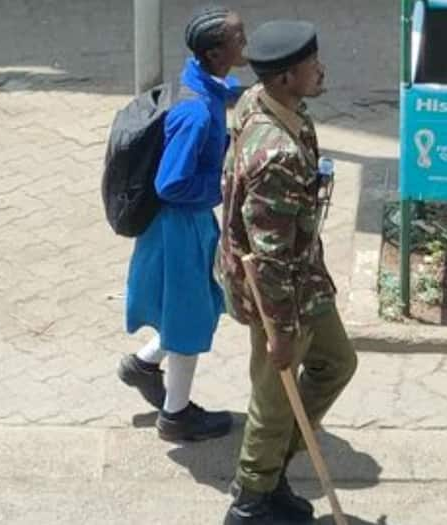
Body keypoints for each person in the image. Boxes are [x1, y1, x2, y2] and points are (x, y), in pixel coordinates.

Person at [216, 20, 358, 524]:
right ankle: (252, 500)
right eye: (309, 65)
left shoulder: (263, 100)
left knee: (336, 362)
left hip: (304, 277)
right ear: (283, 79)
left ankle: (272, 470)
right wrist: (278, 329)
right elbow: (270, 254)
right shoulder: (275, 155)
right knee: (276, 395)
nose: (319, 70)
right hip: (279, 292)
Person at [117, 5, 248, 442]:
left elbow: (218, 91)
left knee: (196, 307)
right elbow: (171, 183)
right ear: (215, 52)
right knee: (190, 317)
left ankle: (144, 364)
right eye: (238, 39)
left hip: (185, 227)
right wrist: (224, 182)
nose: (244, 44)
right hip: (181, 228)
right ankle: (176, 416)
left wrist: (240, 93)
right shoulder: (193, 116)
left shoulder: (198, 80)